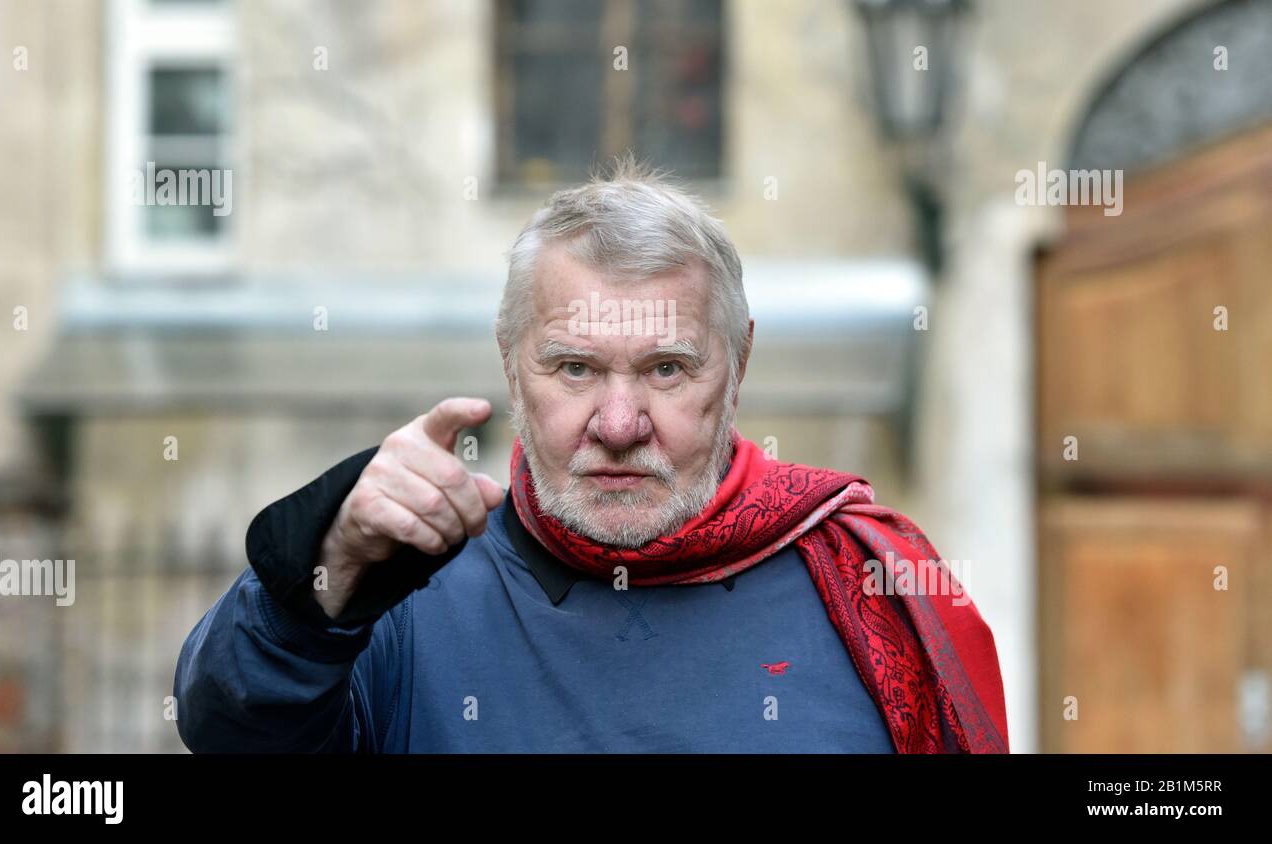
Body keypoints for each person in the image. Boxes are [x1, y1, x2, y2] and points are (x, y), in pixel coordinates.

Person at [173, 155, 1008, 753]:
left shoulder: (868, 586)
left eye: (667, 370)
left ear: (739, 363)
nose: (618, 422)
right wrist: (319, 574)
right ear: (510, 361)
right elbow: (225, 728)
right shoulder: (397, 594)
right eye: (575, 367)